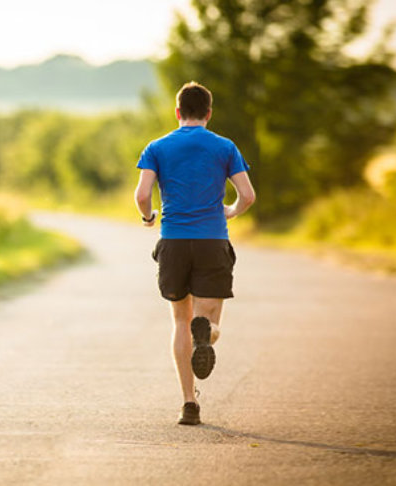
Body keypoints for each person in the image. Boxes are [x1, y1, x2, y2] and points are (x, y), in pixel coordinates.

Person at [134, 81, 256, 426]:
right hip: (211, 241)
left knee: (179, 321)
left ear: (177, 113)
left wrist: (148, 218)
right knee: (209, 321)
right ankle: (209, 334)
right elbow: (247, 196)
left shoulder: (157, 147)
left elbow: (143, 194)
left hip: (173, 241)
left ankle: (189, 403)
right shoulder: (225, 146)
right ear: (208, 113)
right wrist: (230, 210)